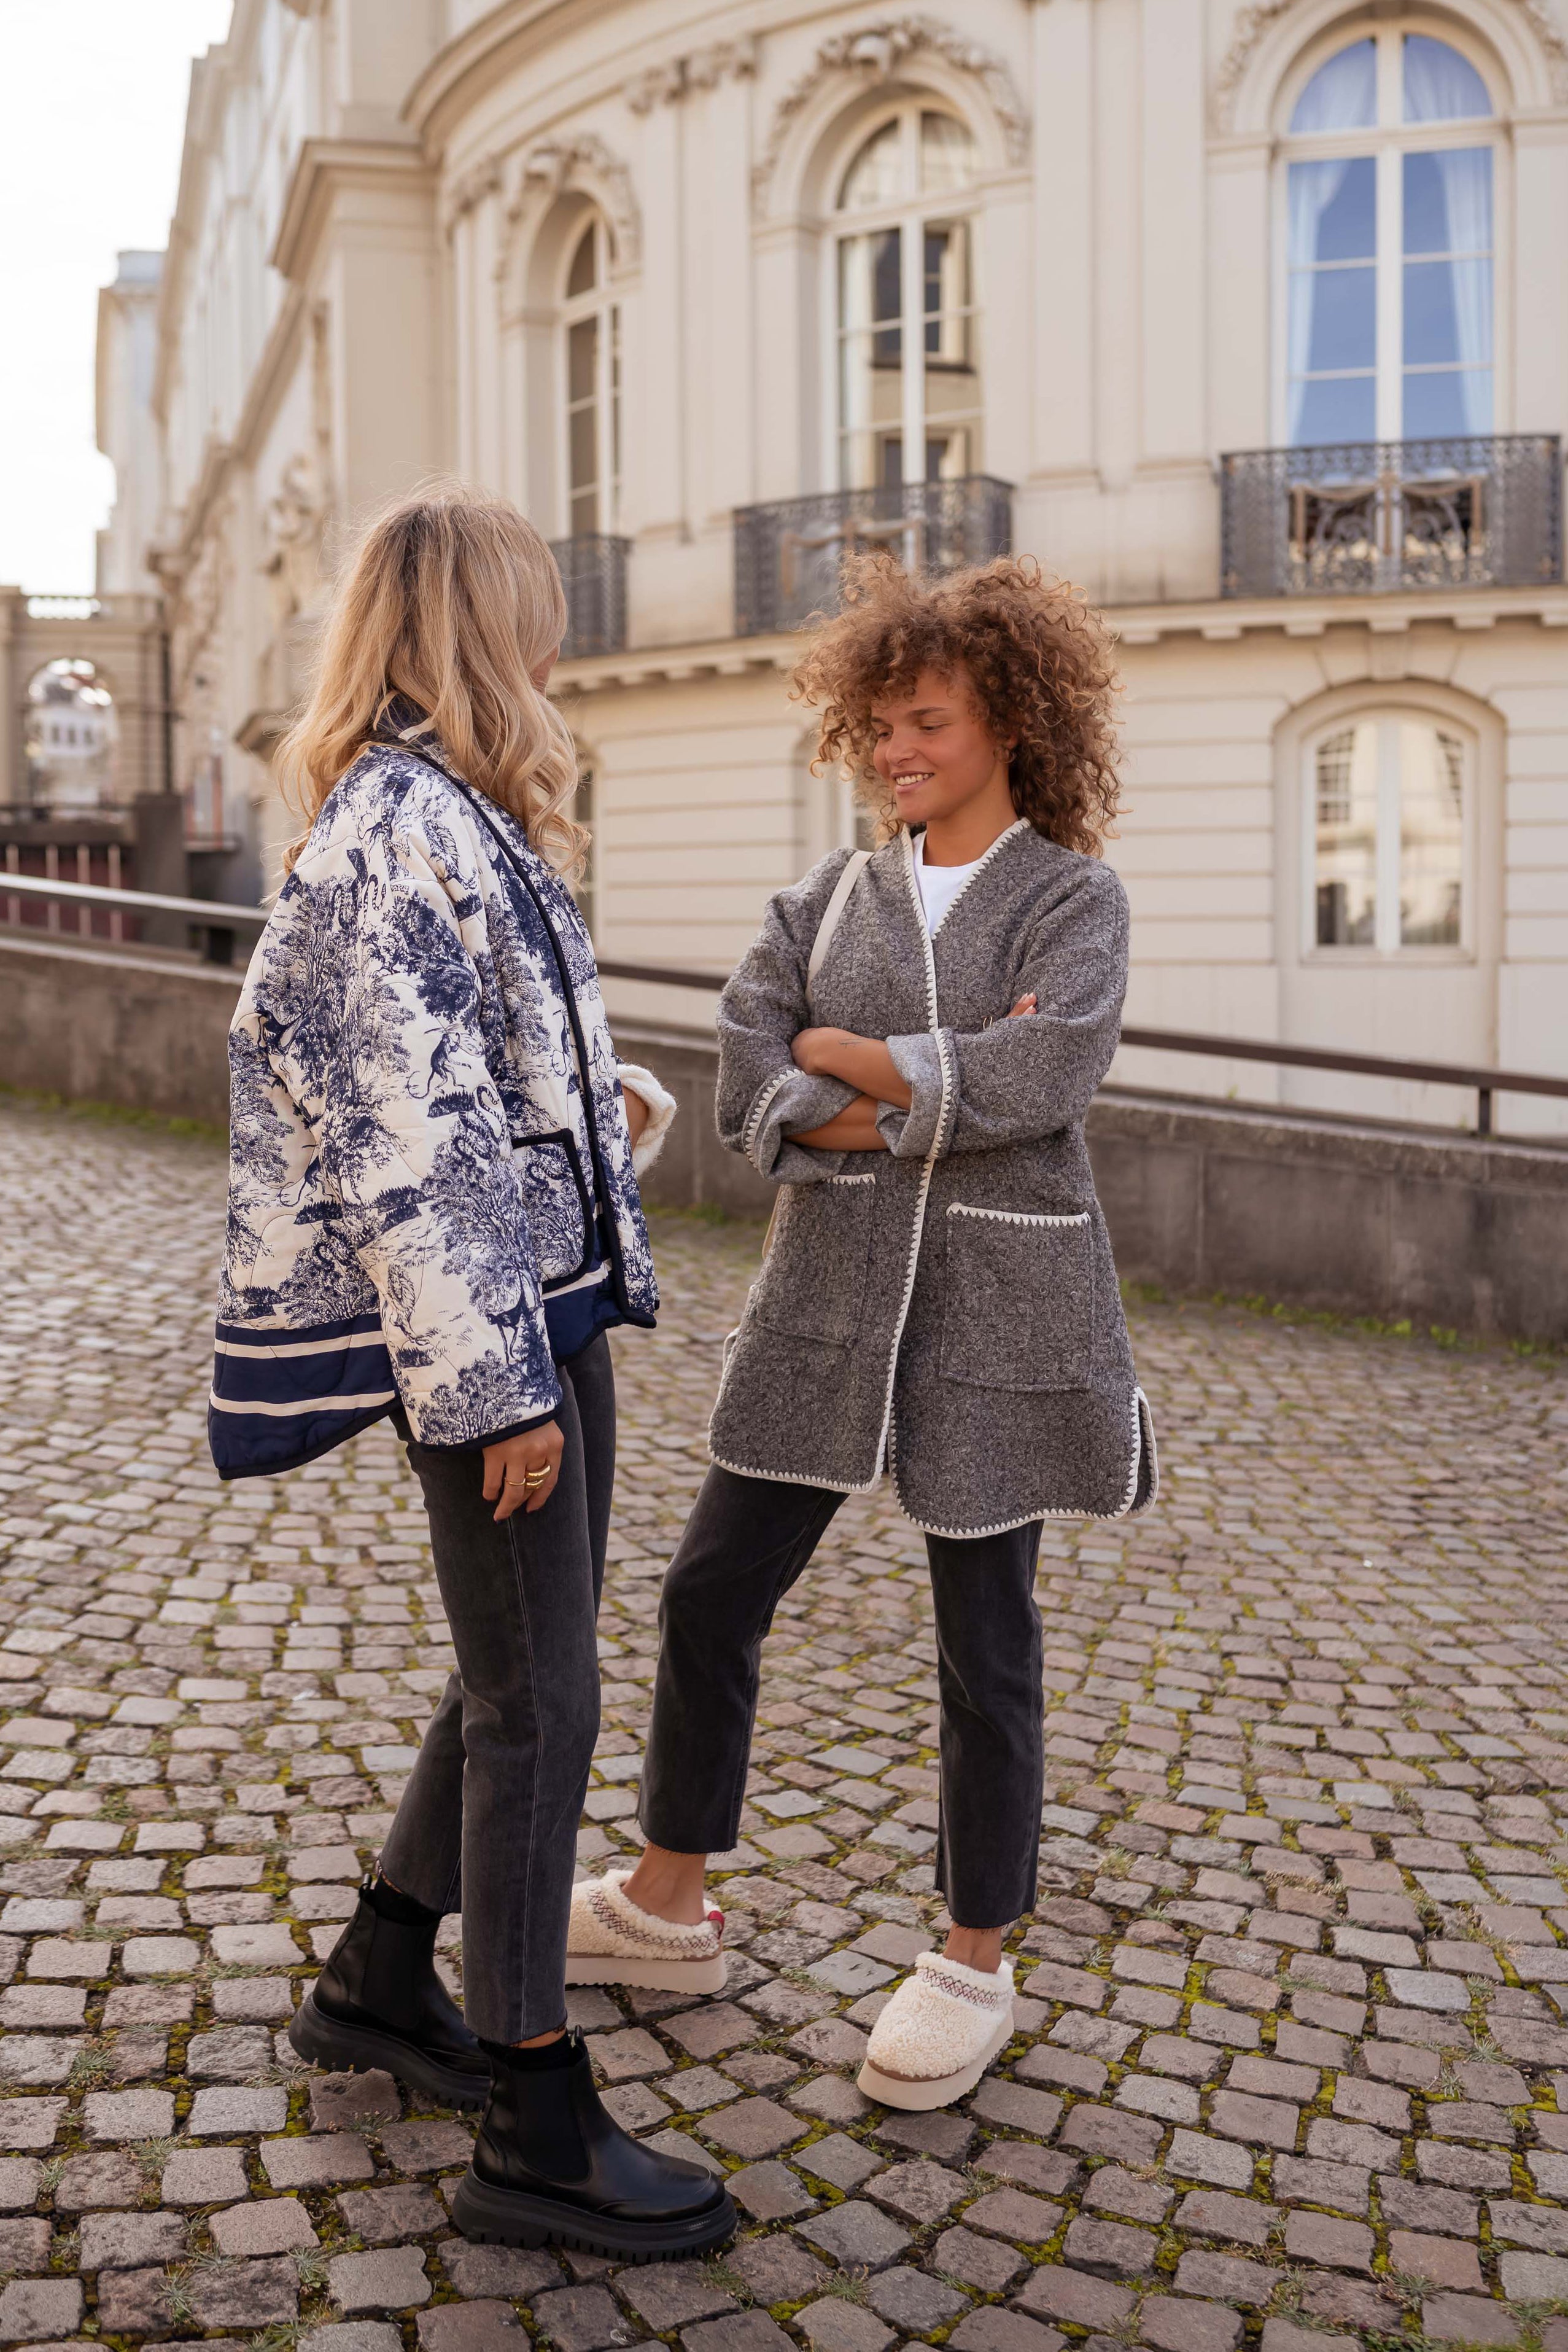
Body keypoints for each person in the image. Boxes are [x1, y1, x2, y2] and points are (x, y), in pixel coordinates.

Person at [209, 483, 735, 2258]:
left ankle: (378, 1967)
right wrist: (493, 1382)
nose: (563, 638)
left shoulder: (448, 815)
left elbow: (486, 1076)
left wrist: (603, 1121)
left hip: (536, 1294)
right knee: (541, 1702)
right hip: (499, 1326)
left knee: (524, 1665)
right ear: (473, 626)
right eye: (540, 606)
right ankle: (530, 2110)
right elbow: (402, 1141)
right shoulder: (386, 835)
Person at [565, 553, 1157, 2111]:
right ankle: (667, 1899)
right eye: (879, 724)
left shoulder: (1072, 898)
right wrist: (903, 1083)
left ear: (1009, 723)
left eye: (929, 723)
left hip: (999, 1307)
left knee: (986, 1640)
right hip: (823, 1300)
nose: (897, 751)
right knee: (707, 1591)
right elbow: (749, 1072)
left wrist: (850, 1064)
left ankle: (973, 1953)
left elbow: (1047, 1083)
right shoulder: (820, 894)